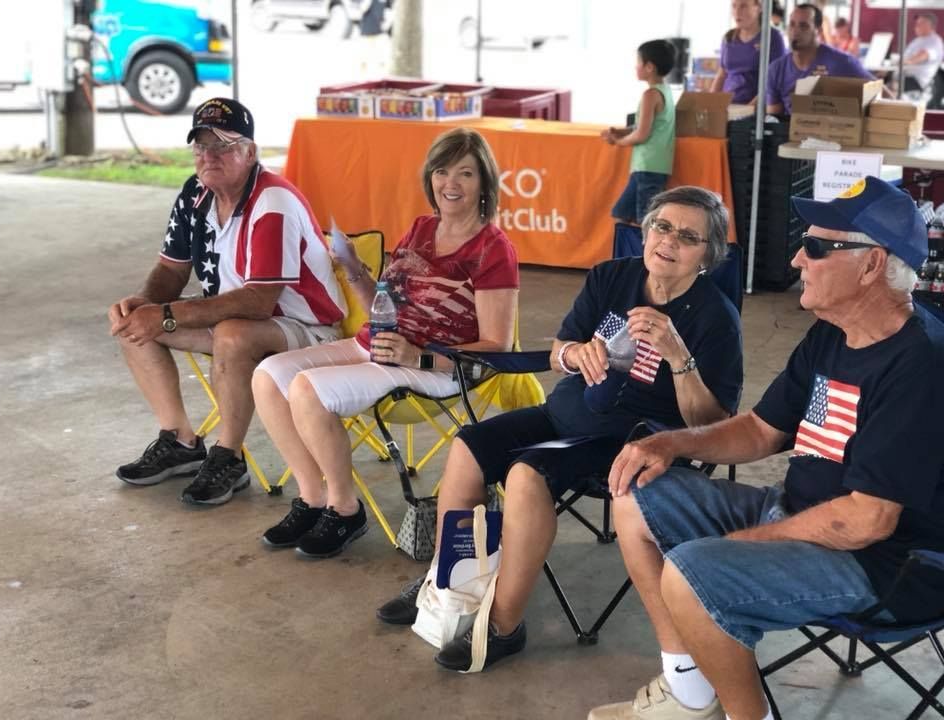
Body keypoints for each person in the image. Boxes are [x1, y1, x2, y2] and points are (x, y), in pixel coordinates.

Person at [587, 175, 944, 720]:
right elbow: (760, 429)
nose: (798, 258)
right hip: (804, 514)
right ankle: (689, 693)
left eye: (820, 247)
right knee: (636, 490)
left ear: (873, 264)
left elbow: (865, 522)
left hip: (890, 567)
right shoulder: (834, 330)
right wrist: (669, 443)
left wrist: (744, 543)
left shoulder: (920, 365)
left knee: (693, 571)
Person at [376, 186, 745, 673]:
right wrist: (574, 354)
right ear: (646, 231)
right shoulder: (612, 277)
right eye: (661, 226)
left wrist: (679, 357)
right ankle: (447, 586)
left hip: (629, 439)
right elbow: (559, 350)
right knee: (468, 448)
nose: (669, 241)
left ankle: (504, 626)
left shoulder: (717, 317)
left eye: (688, 236)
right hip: (563, 415)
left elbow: (710, 425)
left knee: (528, 474)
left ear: (707, 255)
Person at [251, 127, 519, 559]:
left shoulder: (493, 249)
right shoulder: (420, 228)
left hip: (436, 367)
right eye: (442, 171)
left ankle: (345, 509)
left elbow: (497, 348)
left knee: (307, 389)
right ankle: (312, 498)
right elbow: (386, 306)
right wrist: (354, 270)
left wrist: (419, 355)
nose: (450, 183)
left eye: (465, 174)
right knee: (268, 375)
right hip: (379, 345)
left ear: (485, 183)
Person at [108, 98, 346, 506]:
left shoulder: (274, 201)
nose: (209, 156)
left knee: (233, 335)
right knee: (134, 321)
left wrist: (164, 315)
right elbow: (170, 270)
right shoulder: (194, 194)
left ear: (250, 153)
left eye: (223, 146)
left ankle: (229, 457)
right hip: (234, 317)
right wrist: (145, 304)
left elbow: (258, 301)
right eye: (200, 146)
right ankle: (180, 439)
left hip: (309, 328)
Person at [603, 40, 677, 228]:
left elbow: (642, 134)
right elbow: (644, 125)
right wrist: (620, 131)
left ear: (649, 67)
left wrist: (618, 141)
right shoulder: (665, 91)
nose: (636, 67)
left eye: (638, 62)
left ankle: (642, 257)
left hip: (648, 167)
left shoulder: (650, 95)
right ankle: (626, 255)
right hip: (649, 167)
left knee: (644, 222)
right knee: (621, 214)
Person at [766, 3, 873, 116]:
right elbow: (775, 120)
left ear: (818, 30)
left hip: (832, 130)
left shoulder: (842, 63)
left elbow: (879, 91)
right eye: (792, 25)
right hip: (792, 131)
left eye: (803, 26)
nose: (795, 31)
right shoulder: (776, 69)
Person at [710, 0, 786, 105]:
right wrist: (710, 103)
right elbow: (722, 74)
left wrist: (749, 109)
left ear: (759, 7)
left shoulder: (772, 37)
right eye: (734, 6)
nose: (737, 12)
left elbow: (775, 81)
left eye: (743, 6)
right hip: (728, 105)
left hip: (756, 108)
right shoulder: (729, 38)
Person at [901, 13, 944, 95]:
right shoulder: (918, 40)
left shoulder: (934, 42)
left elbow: (921, 56)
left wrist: (903, 62)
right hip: (905, 77)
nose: (916, 25)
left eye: (920, 23)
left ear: (929, 25)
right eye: (917, 23)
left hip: (916, 81)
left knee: (889, 87)